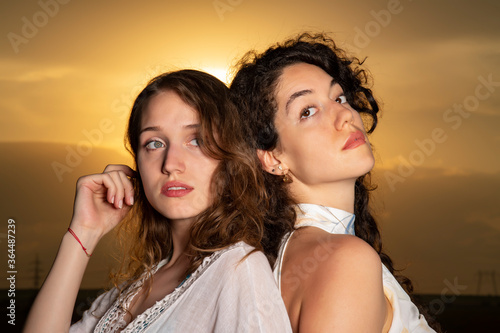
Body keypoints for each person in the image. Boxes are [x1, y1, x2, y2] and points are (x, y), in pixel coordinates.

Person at [24, 70, 292, 332]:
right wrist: (83, 233)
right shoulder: (137, 286)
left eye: (197, 140)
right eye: (154, 144)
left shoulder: (240, 269)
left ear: (231, 156)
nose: (170, 165)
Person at [230, 33, 439, 332]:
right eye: (308, 111)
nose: (345, 115)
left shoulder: (296, 256)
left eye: (338, 97)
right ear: (272, 159)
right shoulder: (344, 260)